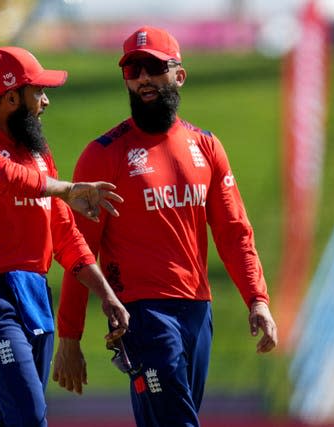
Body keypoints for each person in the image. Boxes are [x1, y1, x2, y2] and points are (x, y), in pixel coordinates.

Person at [53, 26, 278, 426]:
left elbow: (234, 231)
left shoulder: (206, 146)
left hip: (196, 311)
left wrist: (256, 298)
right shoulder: (104, 155)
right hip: (140, 313)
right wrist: (69, 336)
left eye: (153, 67)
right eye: (132, 69)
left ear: (179, 75)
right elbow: (79, 249)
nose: (142, 78)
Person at [0, 46, 130, 427]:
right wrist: (66, 188)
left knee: (9, 418)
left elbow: (65, 234)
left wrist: (106, 295)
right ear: (11, 97)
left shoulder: (37, 156)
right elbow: (7, 180)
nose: (46, 101)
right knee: (28, 414)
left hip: (33, 295)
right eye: (38, 91)